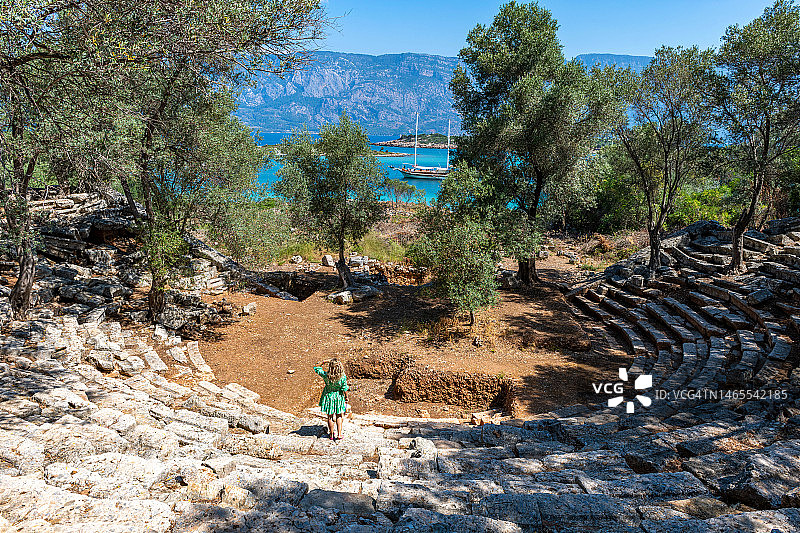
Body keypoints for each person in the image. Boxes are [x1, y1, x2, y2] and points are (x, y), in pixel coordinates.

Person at [313, 358, 349, 440]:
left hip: (328, 397)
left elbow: (316, 367)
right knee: (339, 415)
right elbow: (344, 388)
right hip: (338, 397)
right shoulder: (342, 377)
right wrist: (346, 397)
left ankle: (331, 434)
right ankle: (339, 434)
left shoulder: (326, 375)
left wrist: (325, 361)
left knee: (330, 417)